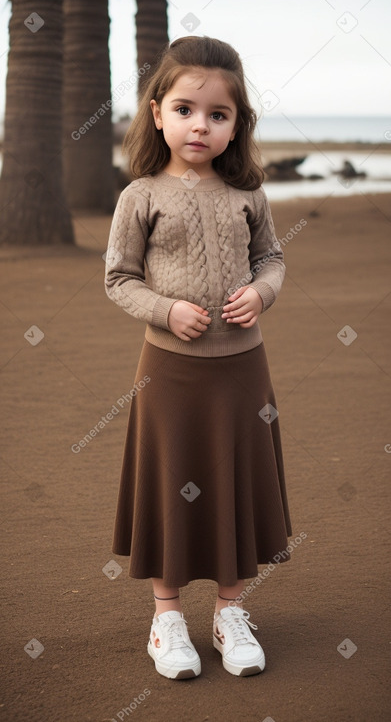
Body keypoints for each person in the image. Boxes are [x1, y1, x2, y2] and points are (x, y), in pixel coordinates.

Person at [104, 35, 292, 681]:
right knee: (170, 482)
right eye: (185, 108)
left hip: (243, 371)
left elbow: (271, 257)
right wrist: (166, 310)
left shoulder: (249, 194)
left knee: (235, 483)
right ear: (157, 112)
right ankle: (166, 619)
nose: (200, 125)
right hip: (170, 373)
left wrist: (262, 293)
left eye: (218, 114)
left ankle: (230, 613)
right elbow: (119, 278)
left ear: (236, 124)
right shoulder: (140, 196)